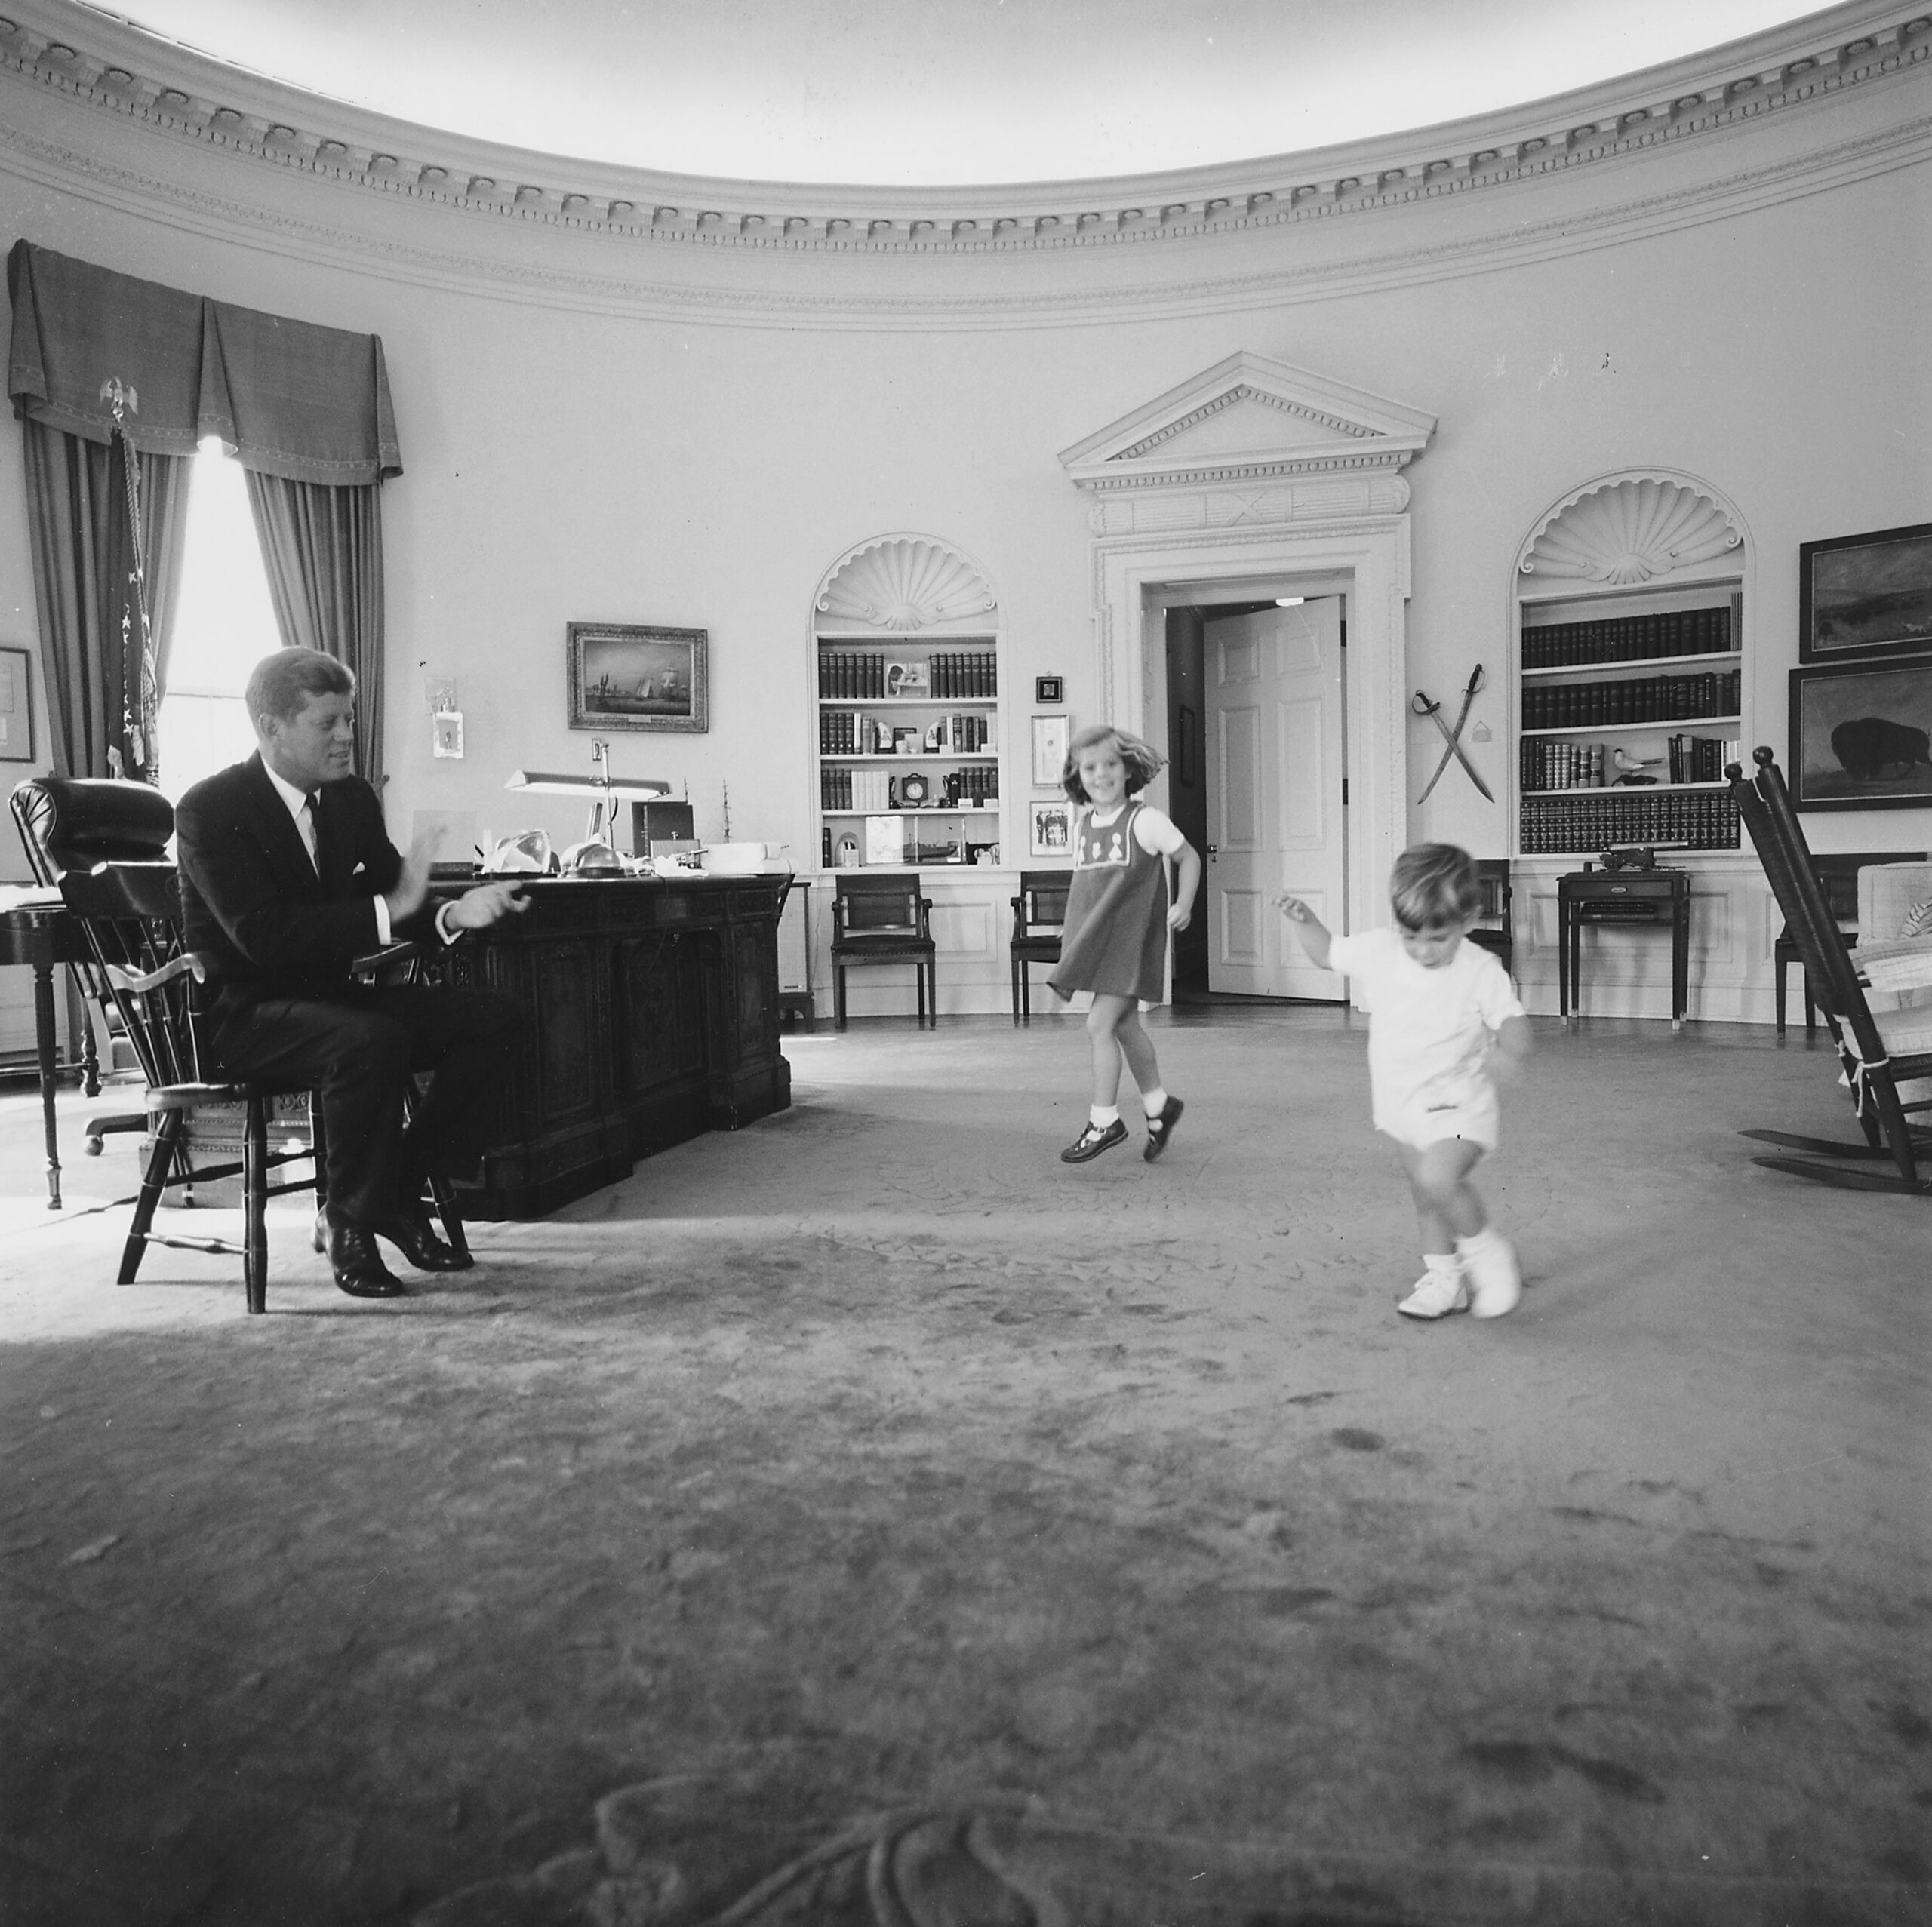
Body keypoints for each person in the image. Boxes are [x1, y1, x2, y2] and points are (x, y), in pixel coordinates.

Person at [174, 648, 530, 1299]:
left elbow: (397, 891)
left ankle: (393, 1189)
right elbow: (263, 937)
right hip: (246, 1016)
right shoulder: (209, 808)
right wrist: (386, 910)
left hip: (337, 1007)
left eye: (350, 720)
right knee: (369, 1040)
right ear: (271, 727)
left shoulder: (350, 799)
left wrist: (454, 910)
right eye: (328, 723)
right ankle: (352, 1222)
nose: (345, 736)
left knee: (499, 1016)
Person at [1277, 843, 1531, 1320]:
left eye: (1438, 938)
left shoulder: (1480, 970)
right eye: (1411, 936)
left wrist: (1509, 1053)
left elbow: (1515, 1026)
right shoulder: (1381, 951)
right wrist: (1305, 920)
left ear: (1469, 919)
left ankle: (1488, 1254)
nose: (1422, 950)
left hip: (1461, 1104)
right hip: (1401, 1107)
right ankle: (1444, 1279)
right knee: (1426, 1195)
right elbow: (1328, 952)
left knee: (1439, 1178)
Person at [1046, 724, 1202, 1165]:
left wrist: (1184, 902)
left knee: (1098, 1026)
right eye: (1091, 767)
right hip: (1100, 945)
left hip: (1131, 945)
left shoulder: (1145, 821)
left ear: (1128, 768)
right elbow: (1087, 892)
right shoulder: (1081, 828)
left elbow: (1188, 857)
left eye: (1111, 764)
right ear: (1078, 776)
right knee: (1125, 1026)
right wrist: (1072, 935)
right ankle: (1158, 1107)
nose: (1102, 774)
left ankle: (1104, 1120)